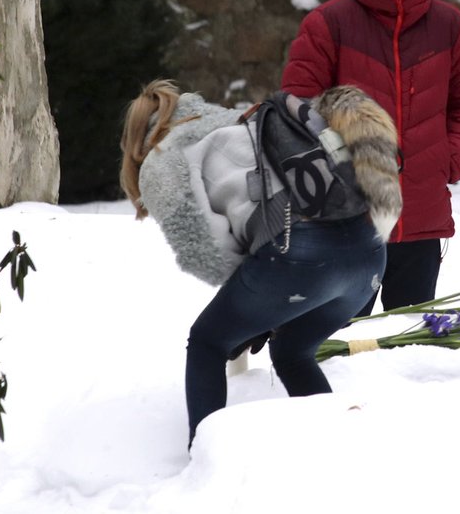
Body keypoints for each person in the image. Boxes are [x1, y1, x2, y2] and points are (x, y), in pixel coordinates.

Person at [119, 80, 400, 444]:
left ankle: (206, 457)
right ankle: (337, 445)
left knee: (207, 343)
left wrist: (256, 306)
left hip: (300, 255)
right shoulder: (240, 119)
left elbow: (204, 252)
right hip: (369, 254)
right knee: (293, 352)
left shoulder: (162, 158)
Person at [282, 0, 460, 314]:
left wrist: (449, 159)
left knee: (408, 349)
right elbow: (298, 110)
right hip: (348, 219)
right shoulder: (329, 24)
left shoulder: (449, 27)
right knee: (338, 345)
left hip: (420, 218)